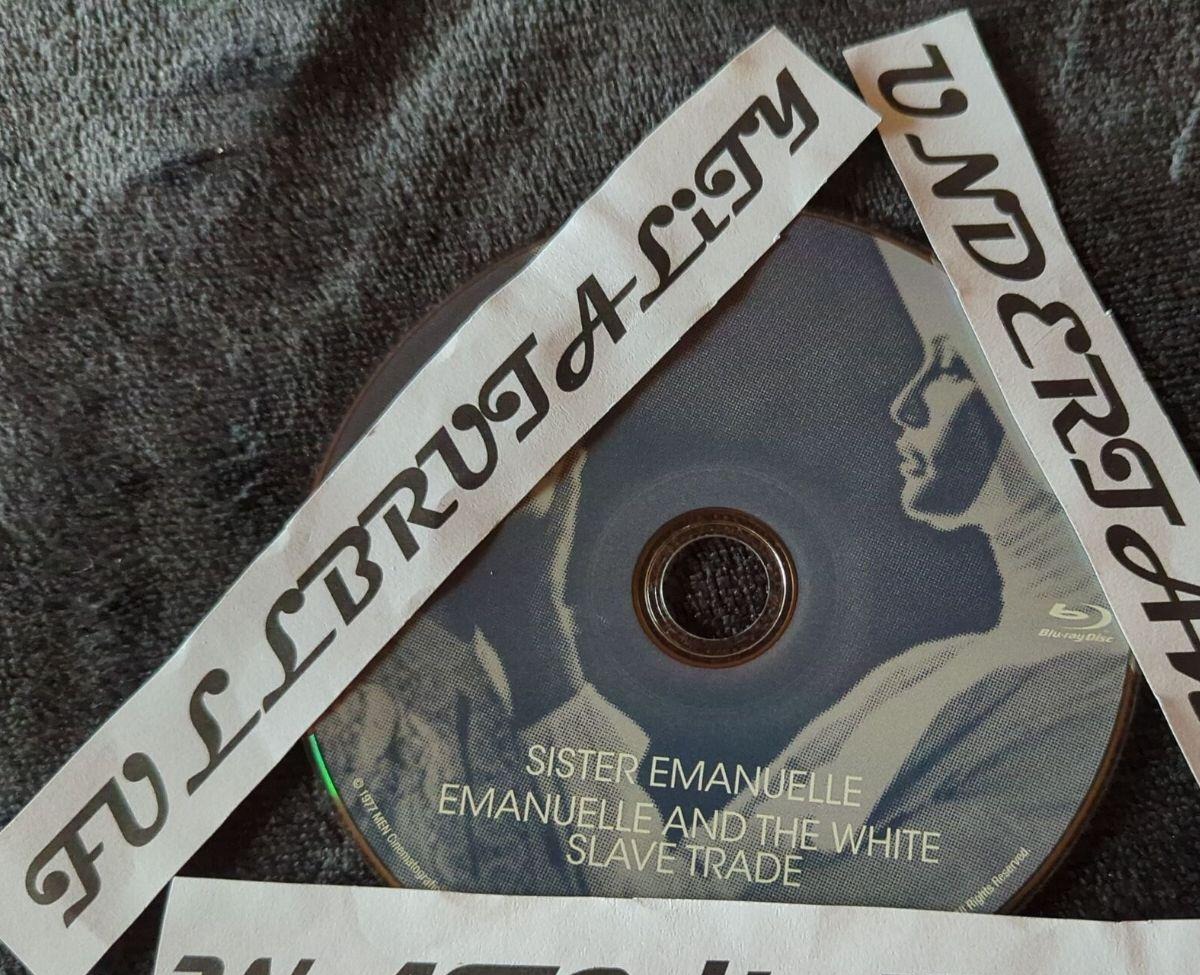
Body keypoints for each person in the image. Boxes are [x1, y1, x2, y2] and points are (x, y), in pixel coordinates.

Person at [315, 217, 1131, 912]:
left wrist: (539, 650)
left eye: (949, 367)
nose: (906, 402)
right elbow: (692, 884)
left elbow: (697, 936)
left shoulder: (1067, 711)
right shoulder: (948, 669)